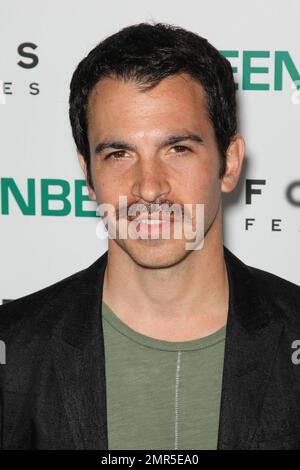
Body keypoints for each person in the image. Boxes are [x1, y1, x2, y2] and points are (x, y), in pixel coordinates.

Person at [0, 22, 300, 450]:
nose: (149, 187)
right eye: (119, 154)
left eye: (178, 149)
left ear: (229, 163)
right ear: (88, 175)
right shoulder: (13, 351)